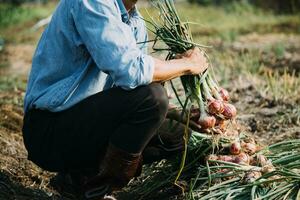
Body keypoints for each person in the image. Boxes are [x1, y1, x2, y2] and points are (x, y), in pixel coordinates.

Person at [22, 0, 208, 199]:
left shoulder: (134, 21)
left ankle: (75, 179)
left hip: (84, 124)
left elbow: (133, 91)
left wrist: (180, 114)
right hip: (49, 131)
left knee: (182, 134)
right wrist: (187, 64)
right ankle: (97, 191)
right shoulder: (92, 3)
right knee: (153, 98)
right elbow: (130, 70)